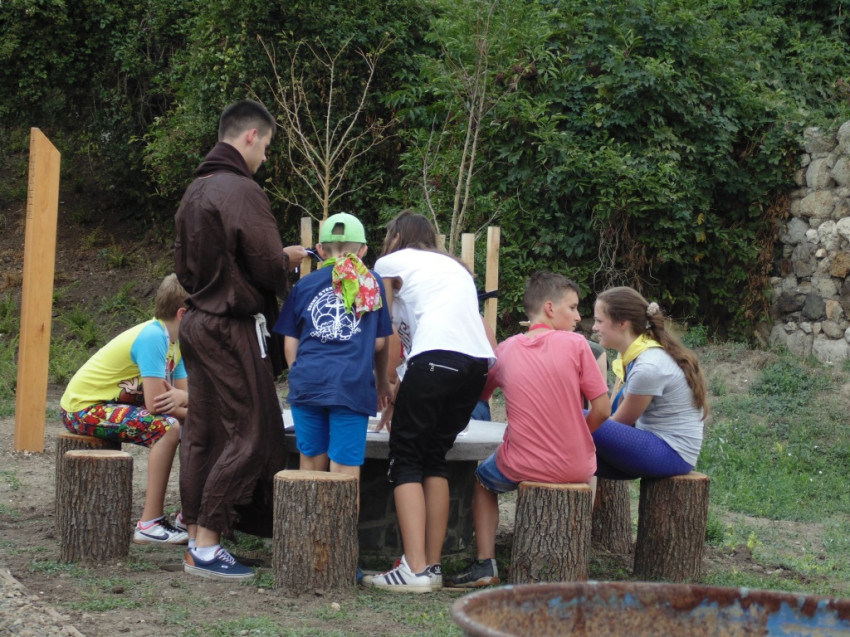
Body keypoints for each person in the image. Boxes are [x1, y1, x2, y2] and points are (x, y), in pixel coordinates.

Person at [174, 99, 307, 581]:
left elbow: (184, 267)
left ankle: (196, 535)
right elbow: (267, 266)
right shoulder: (242, 190)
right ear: (251, 136)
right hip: (231, 326)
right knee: (254, 430)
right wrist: (288, 257)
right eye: (266, 147)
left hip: (196, 321)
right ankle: (209, 543)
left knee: (204, 433)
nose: (265, 158)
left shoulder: (195, 190)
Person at [448, 272, 611, 588]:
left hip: (520, 463)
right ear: (550, 308)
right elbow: (603, 410)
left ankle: (485, 563)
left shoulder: (506, 350)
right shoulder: (578, 345)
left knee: (482, 482)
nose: (579, 317)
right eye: (572, 307)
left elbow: (481, 396)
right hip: (577, 466)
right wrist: (579, 433)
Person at [366, 211, 495, 593]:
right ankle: (432, 567)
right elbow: (437, 339)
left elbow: (385, 331)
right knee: (434, 457)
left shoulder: (390, 263)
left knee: (405, 457)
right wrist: (399, 396)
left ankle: (414, 568)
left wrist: (383, 383)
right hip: (475, 367)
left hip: (436, 361)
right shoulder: (453, 268)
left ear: (397, 236)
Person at [59, 274, 190, 545]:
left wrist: (188, 405)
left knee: (190, 424)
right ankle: (150, 524)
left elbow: (185, 397)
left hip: (109, 405)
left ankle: (188, 515)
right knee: (168, 428)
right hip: (83, 408)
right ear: (183, 313)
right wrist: (199, 413)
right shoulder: (154, 337)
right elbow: (157, 405)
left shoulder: (176, 343)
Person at [274, 212, 393, 504]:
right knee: (344, 471)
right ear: (363, 250)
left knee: (310, 465)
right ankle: (341, 532)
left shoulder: (304, 286)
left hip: (308, 383)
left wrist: (298, 374)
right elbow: (380, 342)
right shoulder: (371, 283)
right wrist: (381, 381)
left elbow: (290, 342)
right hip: (351, 384)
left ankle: (307, 528)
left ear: (320, 249)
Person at [591, 286, 708, 480]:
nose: (594, 327)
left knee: (575, 416)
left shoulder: (648, 366)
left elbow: (619, 424)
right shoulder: (633, 356)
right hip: (656, 448)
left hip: (671, 454)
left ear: (622, 323)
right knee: (572, 453)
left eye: (599, 321)